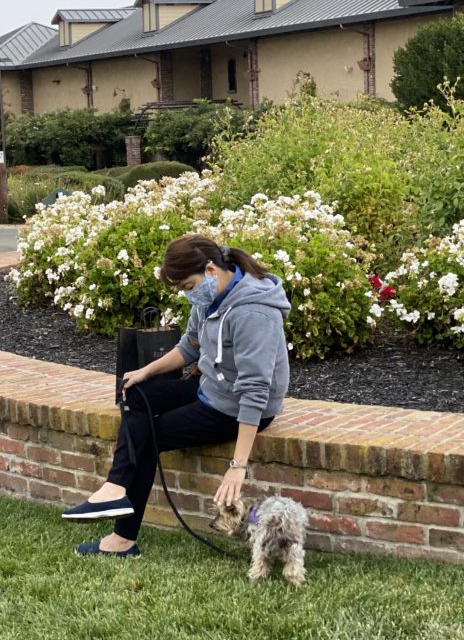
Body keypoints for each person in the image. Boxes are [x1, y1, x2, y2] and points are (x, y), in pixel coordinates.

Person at [61, 233, 291, 557]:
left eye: (187, 286)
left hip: (236, 407)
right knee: (134, 392)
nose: (187, 294)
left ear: (211, 270)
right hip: (210, 388)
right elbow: (189, 347)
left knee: (147, 436)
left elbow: (255, 391)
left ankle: (122, 537)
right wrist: (146, 371)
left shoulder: (253, 312)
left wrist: (237, 465)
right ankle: (115, 487)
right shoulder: (209, 298)